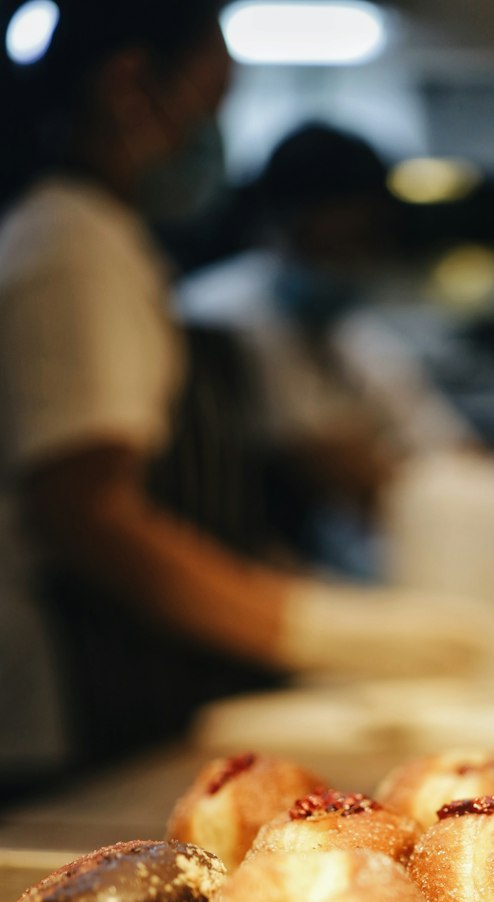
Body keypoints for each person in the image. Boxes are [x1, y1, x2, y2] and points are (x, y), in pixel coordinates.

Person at [0, 2, 494, 802]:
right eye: (209, 103)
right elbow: (85, 511)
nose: (213, 138)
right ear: (131, 87)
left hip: (102, 680)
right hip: (65, 692)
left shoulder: (100, 239)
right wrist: (305, 627)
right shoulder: (68, 243)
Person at [177, 122, 477, 578]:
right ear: (284, 222)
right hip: (219, 572)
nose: (354, 259)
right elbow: (329, 463)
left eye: (365, 240)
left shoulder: (352, 335)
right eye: (338, 240)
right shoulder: (216, 316)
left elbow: (449, 445)